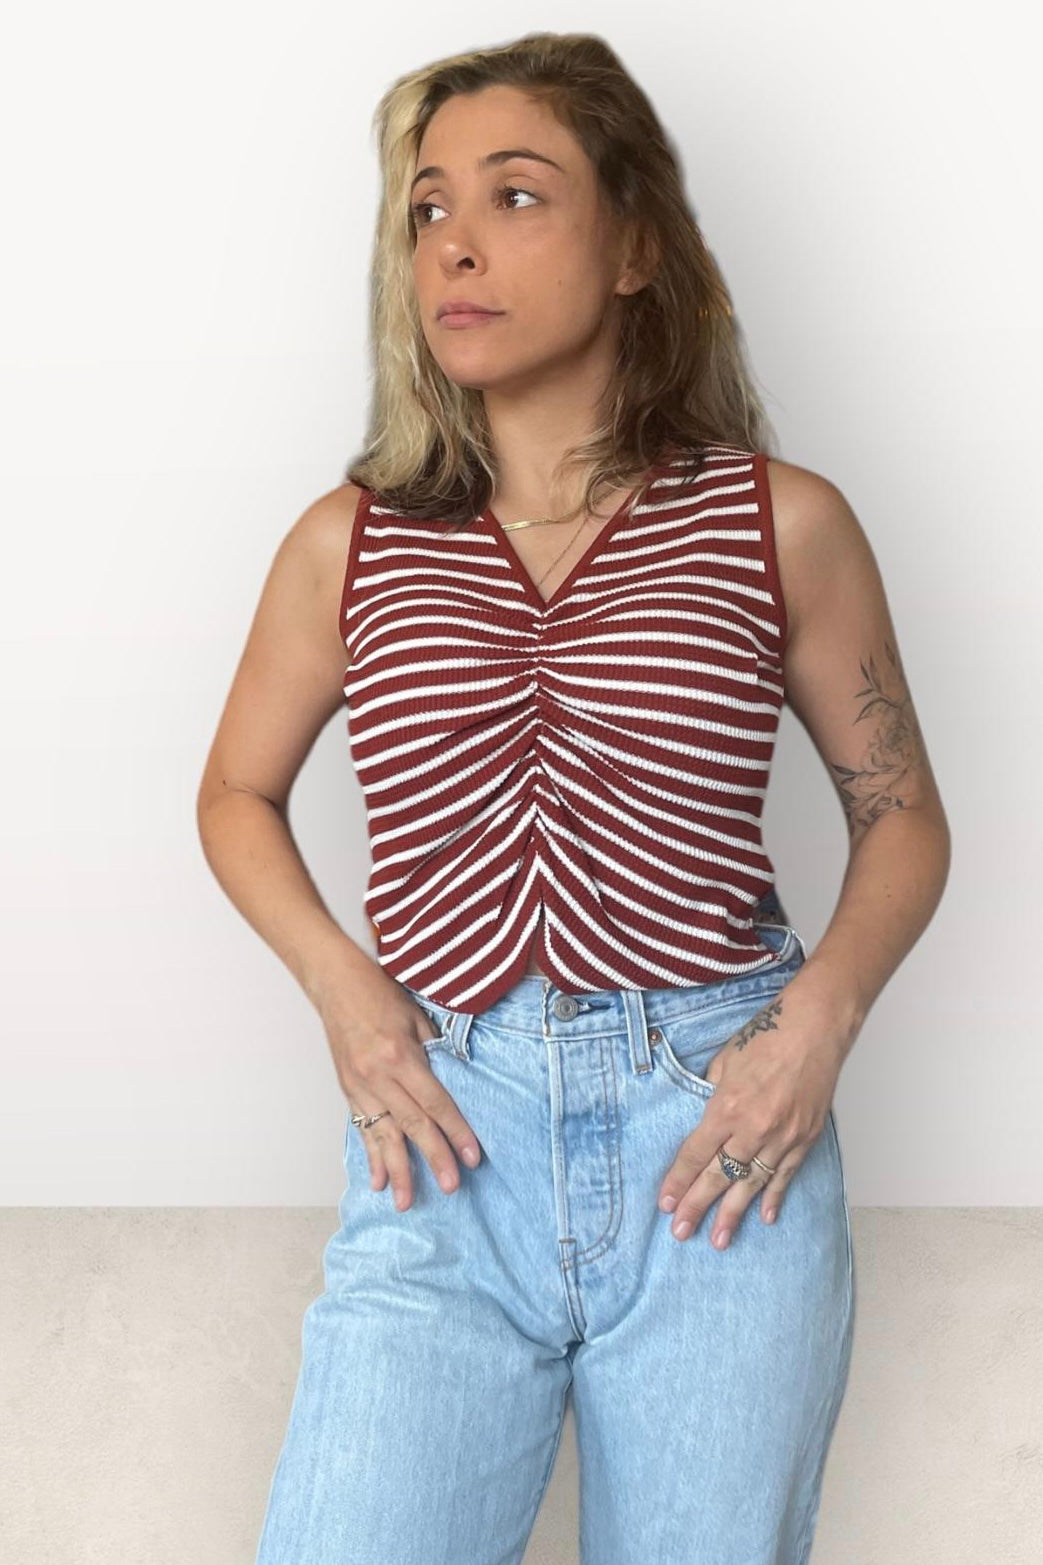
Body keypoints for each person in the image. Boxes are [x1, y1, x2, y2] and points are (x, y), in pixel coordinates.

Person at [196, 31, 950, 1565]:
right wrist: (347, 994)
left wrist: (819, 1024)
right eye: (428, 207)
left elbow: (902, 815)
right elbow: (235, 792)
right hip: (443, 1138)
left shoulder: (781, 523)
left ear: (635, 248)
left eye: (517, 194)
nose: (455, 243)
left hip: (718, 1143)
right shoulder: (348, 543)